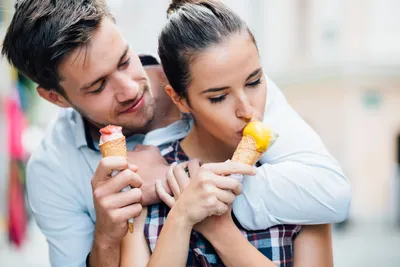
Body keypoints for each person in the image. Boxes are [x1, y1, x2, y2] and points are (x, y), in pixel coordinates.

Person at [1, 1, 349, 266]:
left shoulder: (224, 79)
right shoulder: (53, 168)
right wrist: (108, 233)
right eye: (98, 86)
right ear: (55, 97)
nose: (129, 90)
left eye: (124, 61)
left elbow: (330, 194)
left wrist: (189, 187)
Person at [120, 1, 333, 266]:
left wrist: (220, 231)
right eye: (219, 97)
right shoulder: (146, 179)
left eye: (254, 82)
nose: (247, 109)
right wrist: (181, 217)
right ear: (180, 100)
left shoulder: (298, 176)